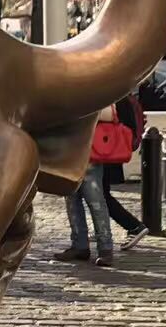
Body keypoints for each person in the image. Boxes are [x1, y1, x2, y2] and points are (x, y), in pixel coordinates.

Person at [55, 106, 119, 268]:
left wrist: (73, 111)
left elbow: (111, 113)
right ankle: (80, 245)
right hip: (70, 150)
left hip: (90, 150)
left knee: (95, 200)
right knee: (72, 199)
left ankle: (105, 248)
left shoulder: (95, 93)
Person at [103, 95, 149, 252]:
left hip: (104, 151)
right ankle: (105, 229)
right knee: (99, 194)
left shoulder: (116, 97)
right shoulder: (123, 96)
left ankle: (133, 225)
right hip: (109, 149)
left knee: (100, 195)